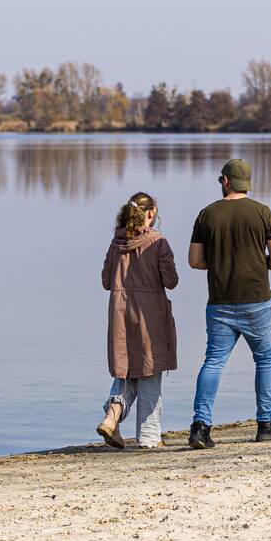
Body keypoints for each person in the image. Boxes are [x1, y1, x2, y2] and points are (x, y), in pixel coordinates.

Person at [187, 158, 271, 449]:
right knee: (266, 361)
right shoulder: (263, 212)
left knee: (214, 362)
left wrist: (220, 262)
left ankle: (200, 427)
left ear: (225, 181)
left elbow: (195, 261)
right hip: (257, 301)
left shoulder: (206, 214)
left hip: (219, 302)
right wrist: (258, 263)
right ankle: (266, 424)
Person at [96, 192, 179, 449]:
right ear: (151, 213)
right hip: (149, 314)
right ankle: (149, 436)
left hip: (120, 314)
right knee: (150, 369)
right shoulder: (158, 242)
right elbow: (172, 281)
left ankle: (113, 413)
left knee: (127, 368)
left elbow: (106, 281)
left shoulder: (115, 244)